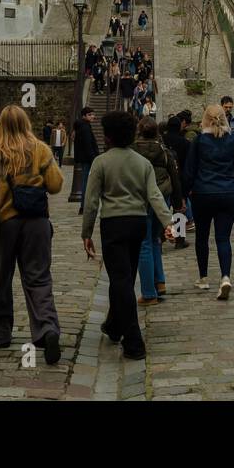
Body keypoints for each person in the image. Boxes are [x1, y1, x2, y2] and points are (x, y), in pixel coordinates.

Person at [82, 111, 175, 360]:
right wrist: (168, 222)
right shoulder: (142, 163)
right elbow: (154, 195)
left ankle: (134, 342)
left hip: (112, 224)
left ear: (109, 136)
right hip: (137, 224)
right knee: (124, 277)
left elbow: (91, 202)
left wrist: (86, 232)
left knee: (121, 280)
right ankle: (114, 326)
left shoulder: (100, 163)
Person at [0, 105, 64, 365]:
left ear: (1, 126)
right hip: (37, 223)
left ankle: (2, 332)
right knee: (38, 278)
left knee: (2, 279)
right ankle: (47, 328)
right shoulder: (40, 149)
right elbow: (57, 184)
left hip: (7, 224)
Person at [182, 105, 234, 296]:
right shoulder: (233, 140)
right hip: (227, 193)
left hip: (203, 193)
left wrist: (185, 193)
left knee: (202, 237)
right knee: (223, 238)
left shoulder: (199, 141)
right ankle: (225, 276)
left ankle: (203, 277)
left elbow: (189, 171)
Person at [132, 117, 181, 306]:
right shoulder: (163, 150)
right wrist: (178, 203)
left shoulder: (134, 151)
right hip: (163, 195)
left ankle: (148, 291)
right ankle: (159, 281)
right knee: (155, 240)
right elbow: (174, 176)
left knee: (144, 242)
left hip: (142, 197)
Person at [163, 113, 192, 248]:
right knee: (179, 209)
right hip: (179, 179)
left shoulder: (161, 141)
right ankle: (180, 239)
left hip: (163, 179)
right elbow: (188, 164)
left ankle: (160, 237)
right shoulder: (185, 143)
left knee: (162, 209)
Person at [71, 107, 99, 211]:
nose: (93, 116)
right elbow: (88, 145)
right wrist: (93, 159)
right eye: (90, 115)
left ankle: (84, 205)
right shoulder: (85, 127)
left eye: (93, 114)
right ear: (84, 116)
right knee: (86, 182)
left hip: (84, 158)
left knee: (86, 181)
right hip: (87, 159)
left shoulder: (82, 126)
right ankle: (84, 205)